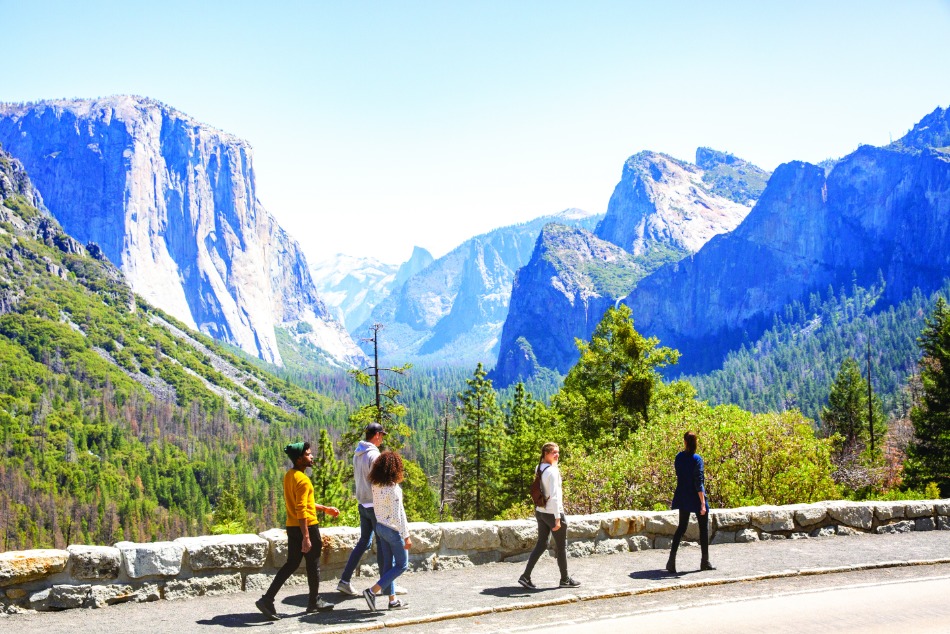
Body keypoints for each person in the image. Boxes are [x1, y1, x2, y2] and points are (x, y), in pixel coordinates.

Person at [255, 441, 340, 620]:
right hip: (306, 526)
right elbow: (302, 509)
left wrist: (325, 508)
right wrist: (307, 537)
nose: (312, 456)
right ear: (300, 458)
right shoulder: (303, 480)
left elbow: (303, 503)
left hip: (292, 526)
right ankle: (314, 601)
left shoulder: (290, 475)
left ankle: (267, 599)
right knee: (313, 564)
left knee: (291, 564)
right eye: (308, 454)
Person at [518, 442, 580, 590]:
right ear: (546, 454)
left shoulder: (540, 467)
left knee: (541, 544)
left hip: (541, 511)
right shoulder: (552, 471)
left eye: (558, 452)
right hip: (552, 513)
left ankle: (525, 576)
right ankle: (564, 579)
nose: (557, 455)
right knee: (561, 546)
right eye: (554, 453)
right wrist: (558, 518)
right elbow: (555, 496)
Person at [336, 423, 387, 596]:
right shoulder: (374, 455)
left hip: (362, 504)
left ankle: (345, 580)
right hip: (374, 505)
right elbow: (378, 483)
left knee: (363, 542)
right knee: (382, 544)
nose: (383, 439)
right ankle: (386, 585)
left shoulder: (357, 454)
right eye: (383, 435)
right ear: (377, 435)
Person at [361, 451, 411, 612]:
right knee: (402, 565)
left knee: (388, 567)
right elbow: (398, 515)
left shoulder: (376, 485)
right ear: (395, 468)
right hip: (392, 530)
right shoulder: (393, 489)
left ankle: (392, 601)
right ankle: (372, 591)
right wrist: (406, 536)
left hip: (380, 527)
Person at [666, 431, 715, 574]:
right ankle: (704, 561)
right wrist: (702, 503)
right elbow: (698, 482)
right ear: (696, 443)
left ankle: (671, 561)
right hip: (695, 496)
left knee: (681, 527)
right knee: (703, 528)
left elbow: (681, 476)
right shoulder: (697, 459)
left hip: (683, 495)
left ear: (685, 442)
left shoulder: (678, 457)